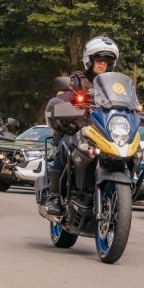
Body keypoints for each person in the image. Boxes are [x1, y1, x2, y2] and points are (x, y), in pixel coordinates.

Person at [42, 36, 119, 215]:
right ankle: (54, 197)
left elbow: (129, 103)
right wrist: (60, 107)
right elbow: (60, 99)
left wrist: (138, 111)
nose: (102, 64)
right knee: (65, 146)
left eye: (107, 61)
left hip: (105, 135)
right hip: (78, 132)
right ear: (89, 60)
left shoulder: (115, 85)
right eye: (99, 60)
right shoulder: (77, 81)